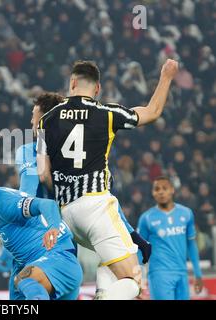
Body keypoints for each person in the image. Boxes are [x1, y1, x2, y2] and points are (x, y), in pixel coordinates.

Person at [36, 59, 179, 299]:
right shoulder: (107, 113)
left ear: (72, 83)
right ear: (97, 89)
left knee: (109, 261)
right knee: (132, 279)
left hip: (66, 215)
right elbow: (152, 112)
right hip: (96, 206)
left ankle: (102, 293)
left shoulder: (45, 121)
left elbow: (43, 173)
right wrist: (166, 76)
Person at [16, 92, 151, 299]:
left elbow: (27, 192)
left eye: (34, 115)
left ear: (45, 117)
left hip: (45, 234)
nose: (31, 121)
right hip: (63, 233)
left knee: (34, 289)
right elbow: (102, 200)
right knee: (124, 280)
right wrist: (133, 234)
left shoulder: (29, 150)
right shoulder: (81, 159)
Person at [0, 165, 83, 300]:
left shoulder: (3, 203)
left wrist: (53, 228)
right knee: (19, 284)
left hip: (57, 263)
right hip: (52, 267)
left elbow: (47, 204)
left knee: (23, 279)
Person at [137, 176, 203, 300]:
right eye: (157, 189)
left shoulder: (186, 213)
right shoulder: (146, 218)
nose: (161, 192)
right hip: (159, 274)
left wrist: (197, 274)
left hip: (182, 273)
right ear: (153, 192)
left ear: (172, 190)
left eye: (164, 188)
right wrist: (138, 278)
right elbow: (140, 250)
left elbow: (191, 245)